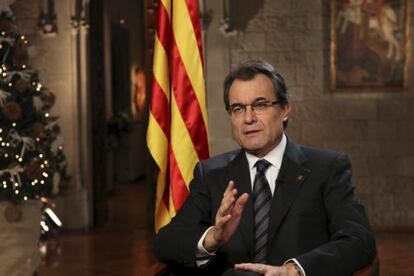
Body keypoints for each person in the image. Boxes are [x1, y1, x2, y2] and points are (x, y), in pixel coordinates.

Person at [154, 60, 376, 275]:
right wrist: (213, 237)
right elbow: (165, 242)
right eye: (238, 108)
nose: (248, 118)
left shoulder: (327, 168)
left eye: (260, 105)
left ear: (284, 109)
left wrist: (293, 270)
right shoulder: (210, 174)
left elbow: (359, 241)